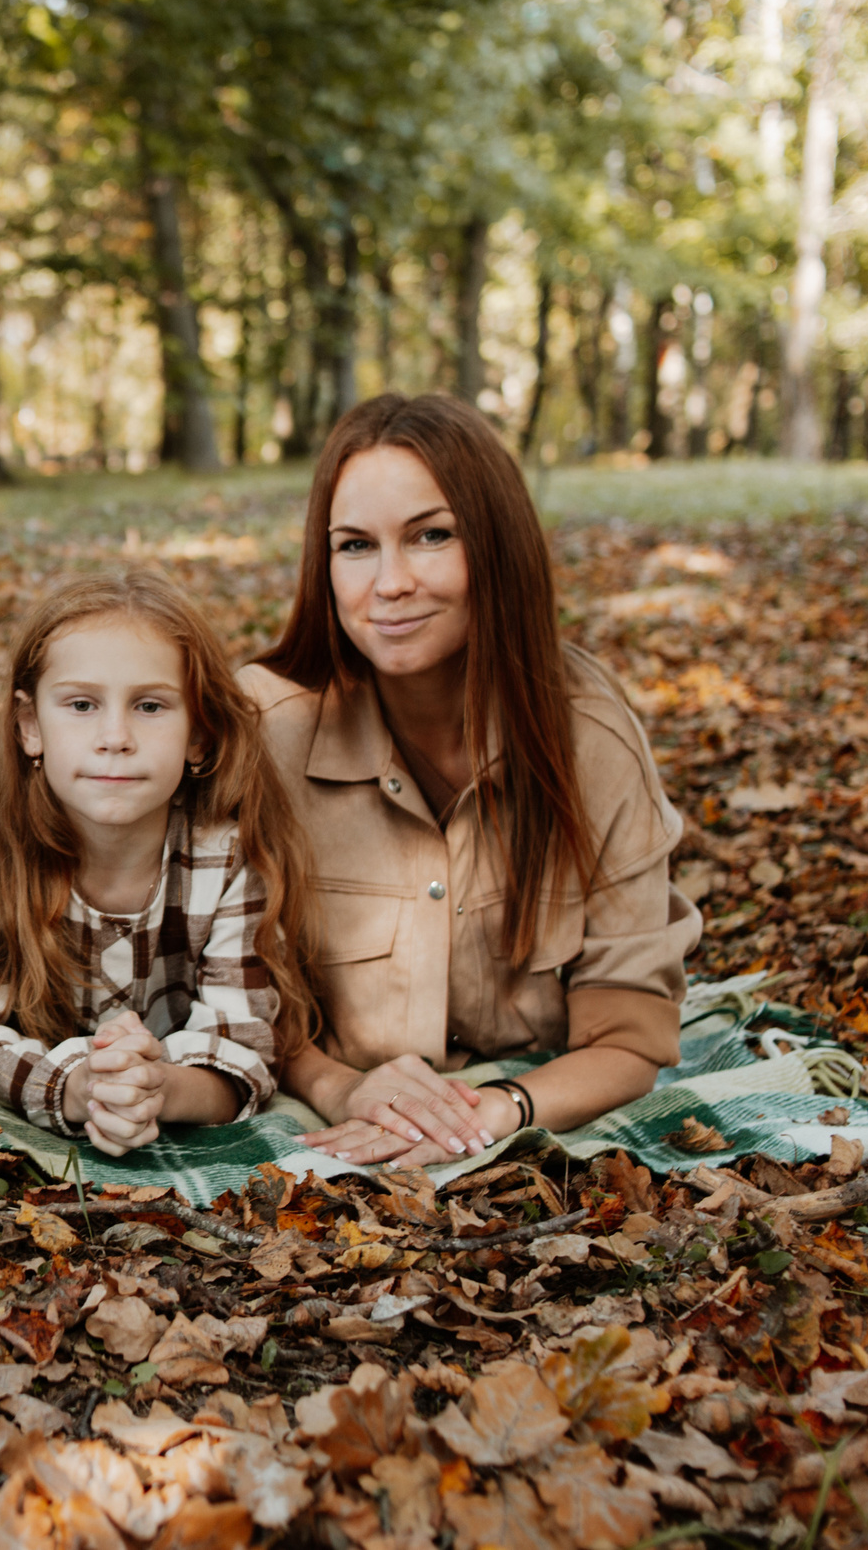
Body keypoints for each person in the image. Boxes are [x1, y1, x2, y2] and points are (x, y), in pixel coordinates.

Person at [241, 392, 701, 1168]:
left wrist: (495, 1111)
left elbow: (630, 1037)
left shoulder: (591, 740)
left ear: (497, 546)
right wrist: (335, 1086)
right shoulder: (266, 731)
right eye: (355, 546)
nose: (389, 583)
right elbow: (223, 984)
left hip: (525, 1096)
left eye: (430, 536)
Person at [0, 572, 316, 1156]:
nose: (115, 737)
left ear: (199, 734)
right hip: (62, 1077)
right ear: (30, 726)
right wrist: (76, 1090)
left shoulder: (227, 854)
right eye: (81, 705)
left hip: (165, 1080)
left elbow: (245, 1048)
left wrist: (157, 1089)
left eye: (150, 705)